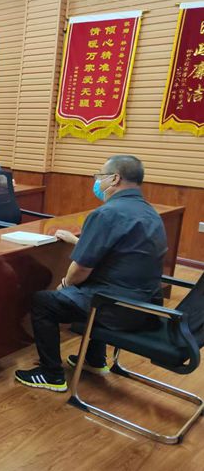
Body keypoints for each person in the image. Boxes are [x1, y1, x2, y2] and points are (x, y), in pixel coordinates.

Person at [14, 155, 166, 392]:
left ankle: (51, 374)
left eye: (100, 176)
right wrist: (78, 242)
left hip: (116, 308)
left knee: (44, 301)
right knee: (96, 288)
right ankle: (95, 360)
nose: (97, 181)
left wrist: (65, 284)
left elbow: (82, 269)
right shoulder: (150, 212)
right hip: (145, 306)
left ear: (114, 179)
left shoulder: (107, 213)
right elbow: (119, 253)